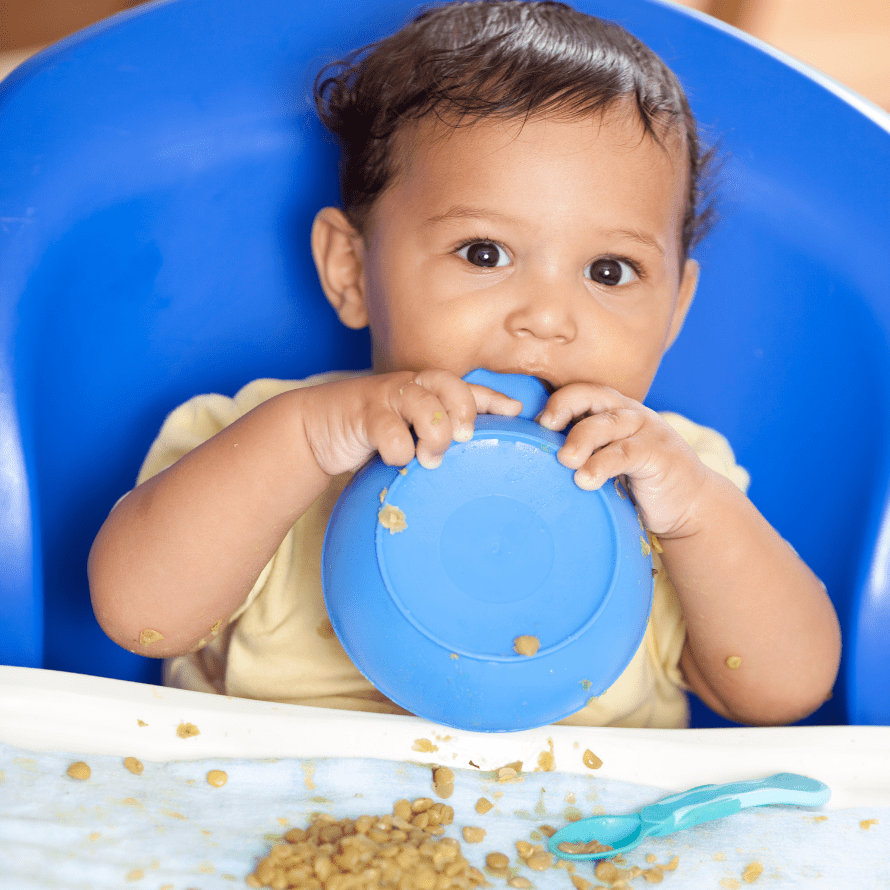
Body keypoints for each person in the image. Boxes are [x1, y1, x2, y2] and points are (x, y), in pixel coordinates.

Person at [88, 0, 840, 728]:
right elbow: (141, 618)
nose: (547, 317)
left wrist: (698, 514)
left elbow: (784, 693)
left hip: (584, 845)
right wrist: (307, 442)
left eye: (610, 271)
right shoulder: (265, 439)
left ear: (675, 307)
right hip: (276, 834)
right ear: (352, 269)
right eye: (485, 253)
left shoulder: (674, 481)